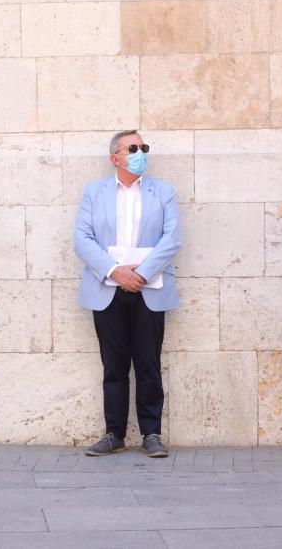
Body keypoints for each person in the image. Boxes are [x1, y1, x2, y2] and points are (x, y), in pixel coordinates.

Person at [73, 130, 182, 457]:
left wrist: (142, 274)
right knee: (114, 364)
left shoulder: (163, 192)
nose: (141, 153)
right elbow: (83, 240)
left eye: (143, 148)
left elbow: (172, 238)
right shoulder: (94, 193)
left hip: (150, 288)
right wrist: (115, 271)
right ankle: (114, 433)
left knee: (148, 362)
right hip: (107, 288)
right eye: (133, 148)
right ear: (115, 157)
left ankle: (151, 433)